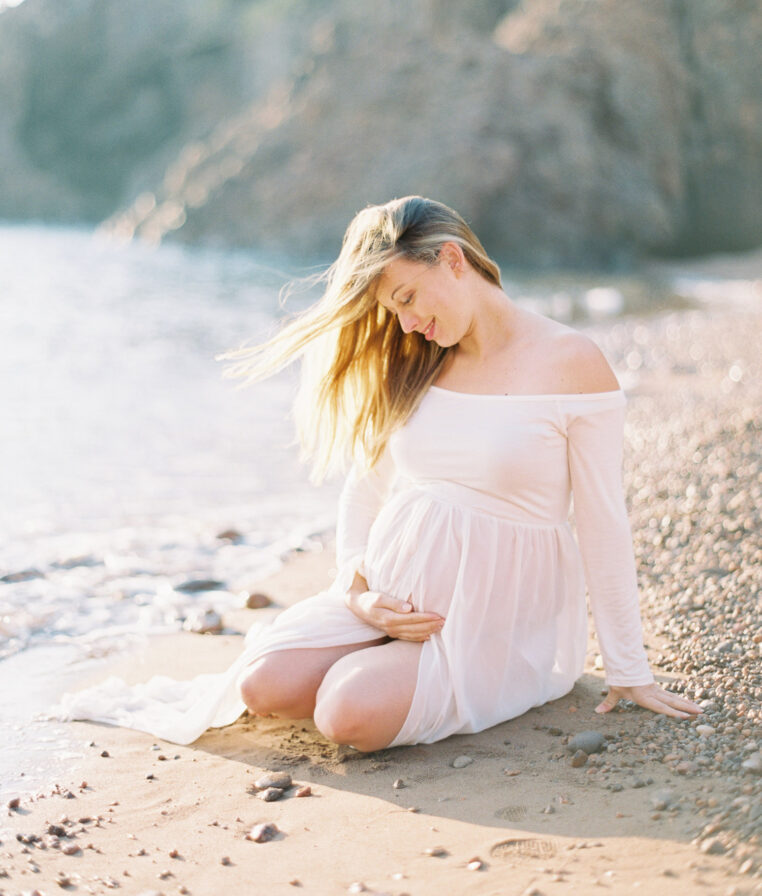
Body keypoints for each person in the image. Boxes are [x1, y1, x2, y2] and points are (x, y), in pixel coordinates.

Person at [56, 195, 700, 747]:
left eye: (408, 297)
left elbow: (602, 520)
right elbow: (363, 493)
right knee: (263, 684)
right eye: (395, 311)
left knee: (344, 713)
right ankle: (382, 655)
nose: (408, 322)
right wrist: (358, 593)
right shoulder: (419, 360)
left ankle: (396, 672)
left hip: (492, 610)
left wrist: (628, 669)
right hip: (387, 598)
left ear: (452, 258)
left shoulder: (570, 361)